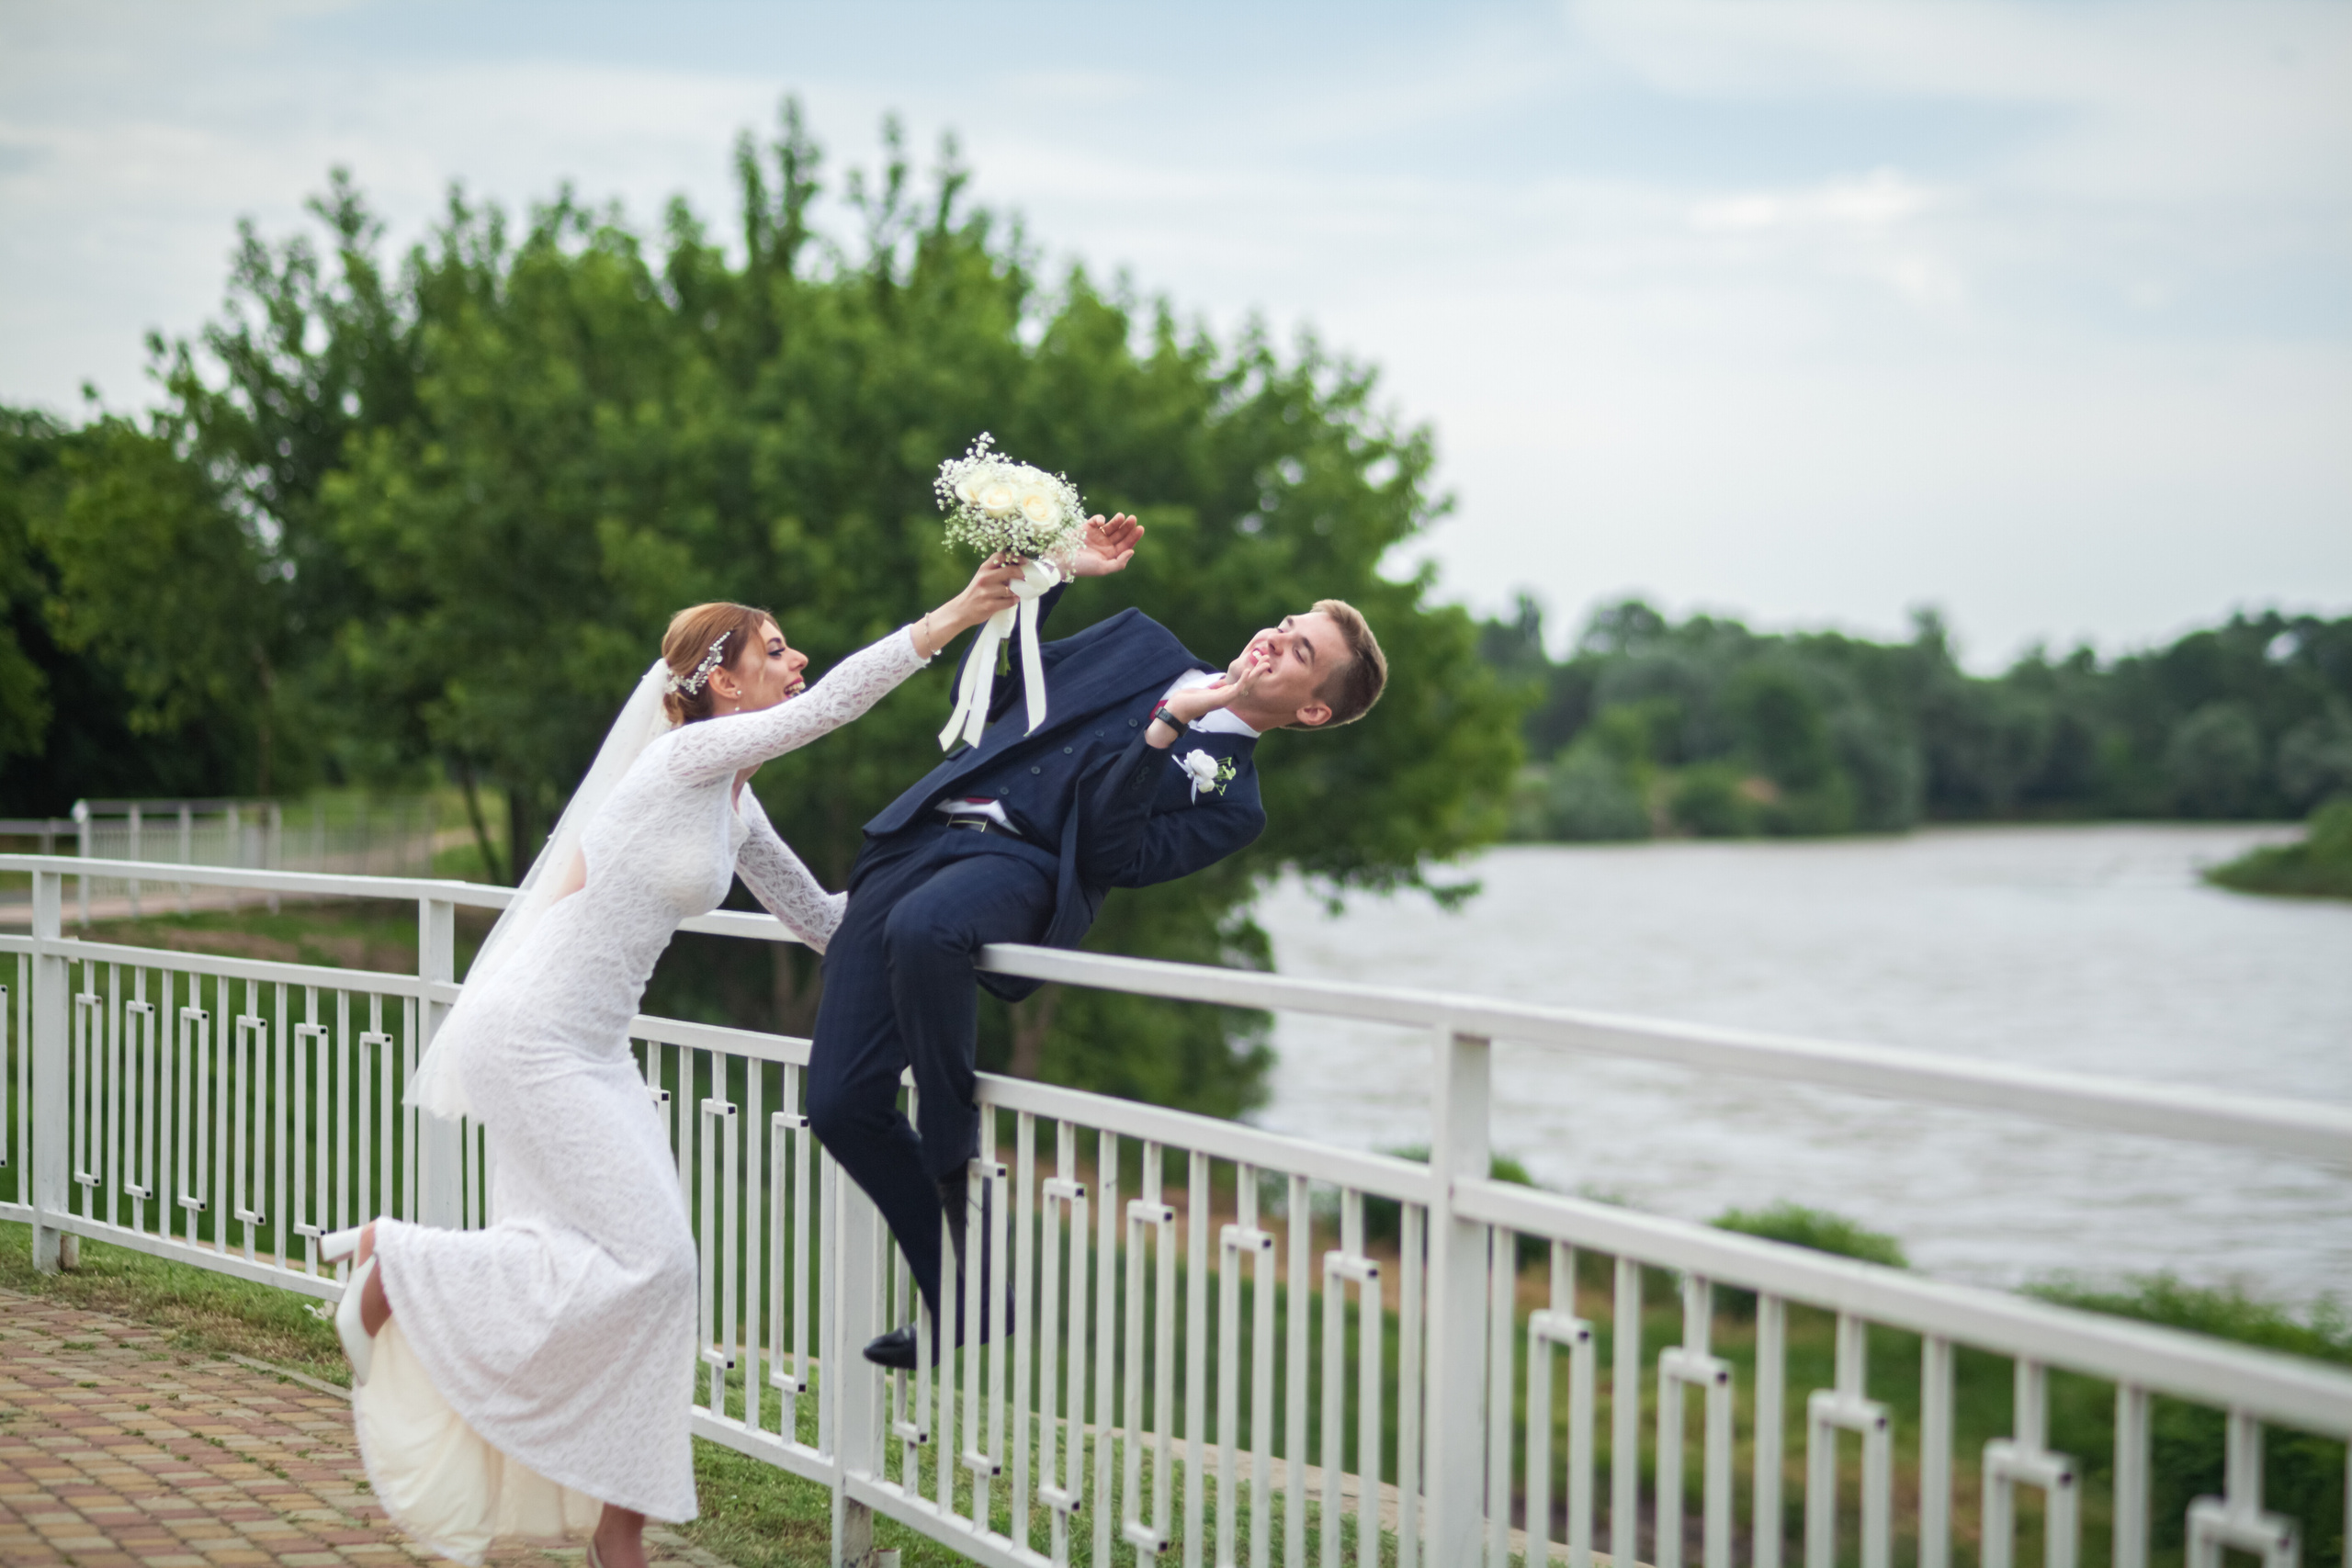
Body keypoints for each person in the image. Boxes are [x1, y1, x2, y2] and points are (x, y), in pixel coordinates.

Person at [313, 557, 1023, 1568]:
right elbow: (830, 708)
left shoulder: (732, 804)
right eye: (774, 649)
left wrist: (952, 905)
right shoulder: (679, 763)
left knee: (658, 1283)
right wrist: (954, 615)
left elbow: (825, 922)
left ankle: (619, 1533)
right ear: (719, 681)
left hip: (595, 1049)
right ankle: (401, 1258)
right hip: (532, 1034)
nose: (797, 661)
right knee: (657, 1263)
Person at [805, 514, 1388, 1369]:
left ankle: (954, 1151)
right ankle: (965, 1296)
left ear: (1311, 706)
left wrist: (1165, 732)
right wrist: (1051, 577)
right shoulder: (1142, 641)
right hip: (920, 834)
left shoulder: (1233, 804)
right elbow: (1011, 687)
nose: (1276, 636)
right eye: (1288, 624)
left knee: (928, 930)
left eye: (1302, 651)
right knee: (840, 1104)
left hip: (1023, 867)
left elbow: (1115, 854)